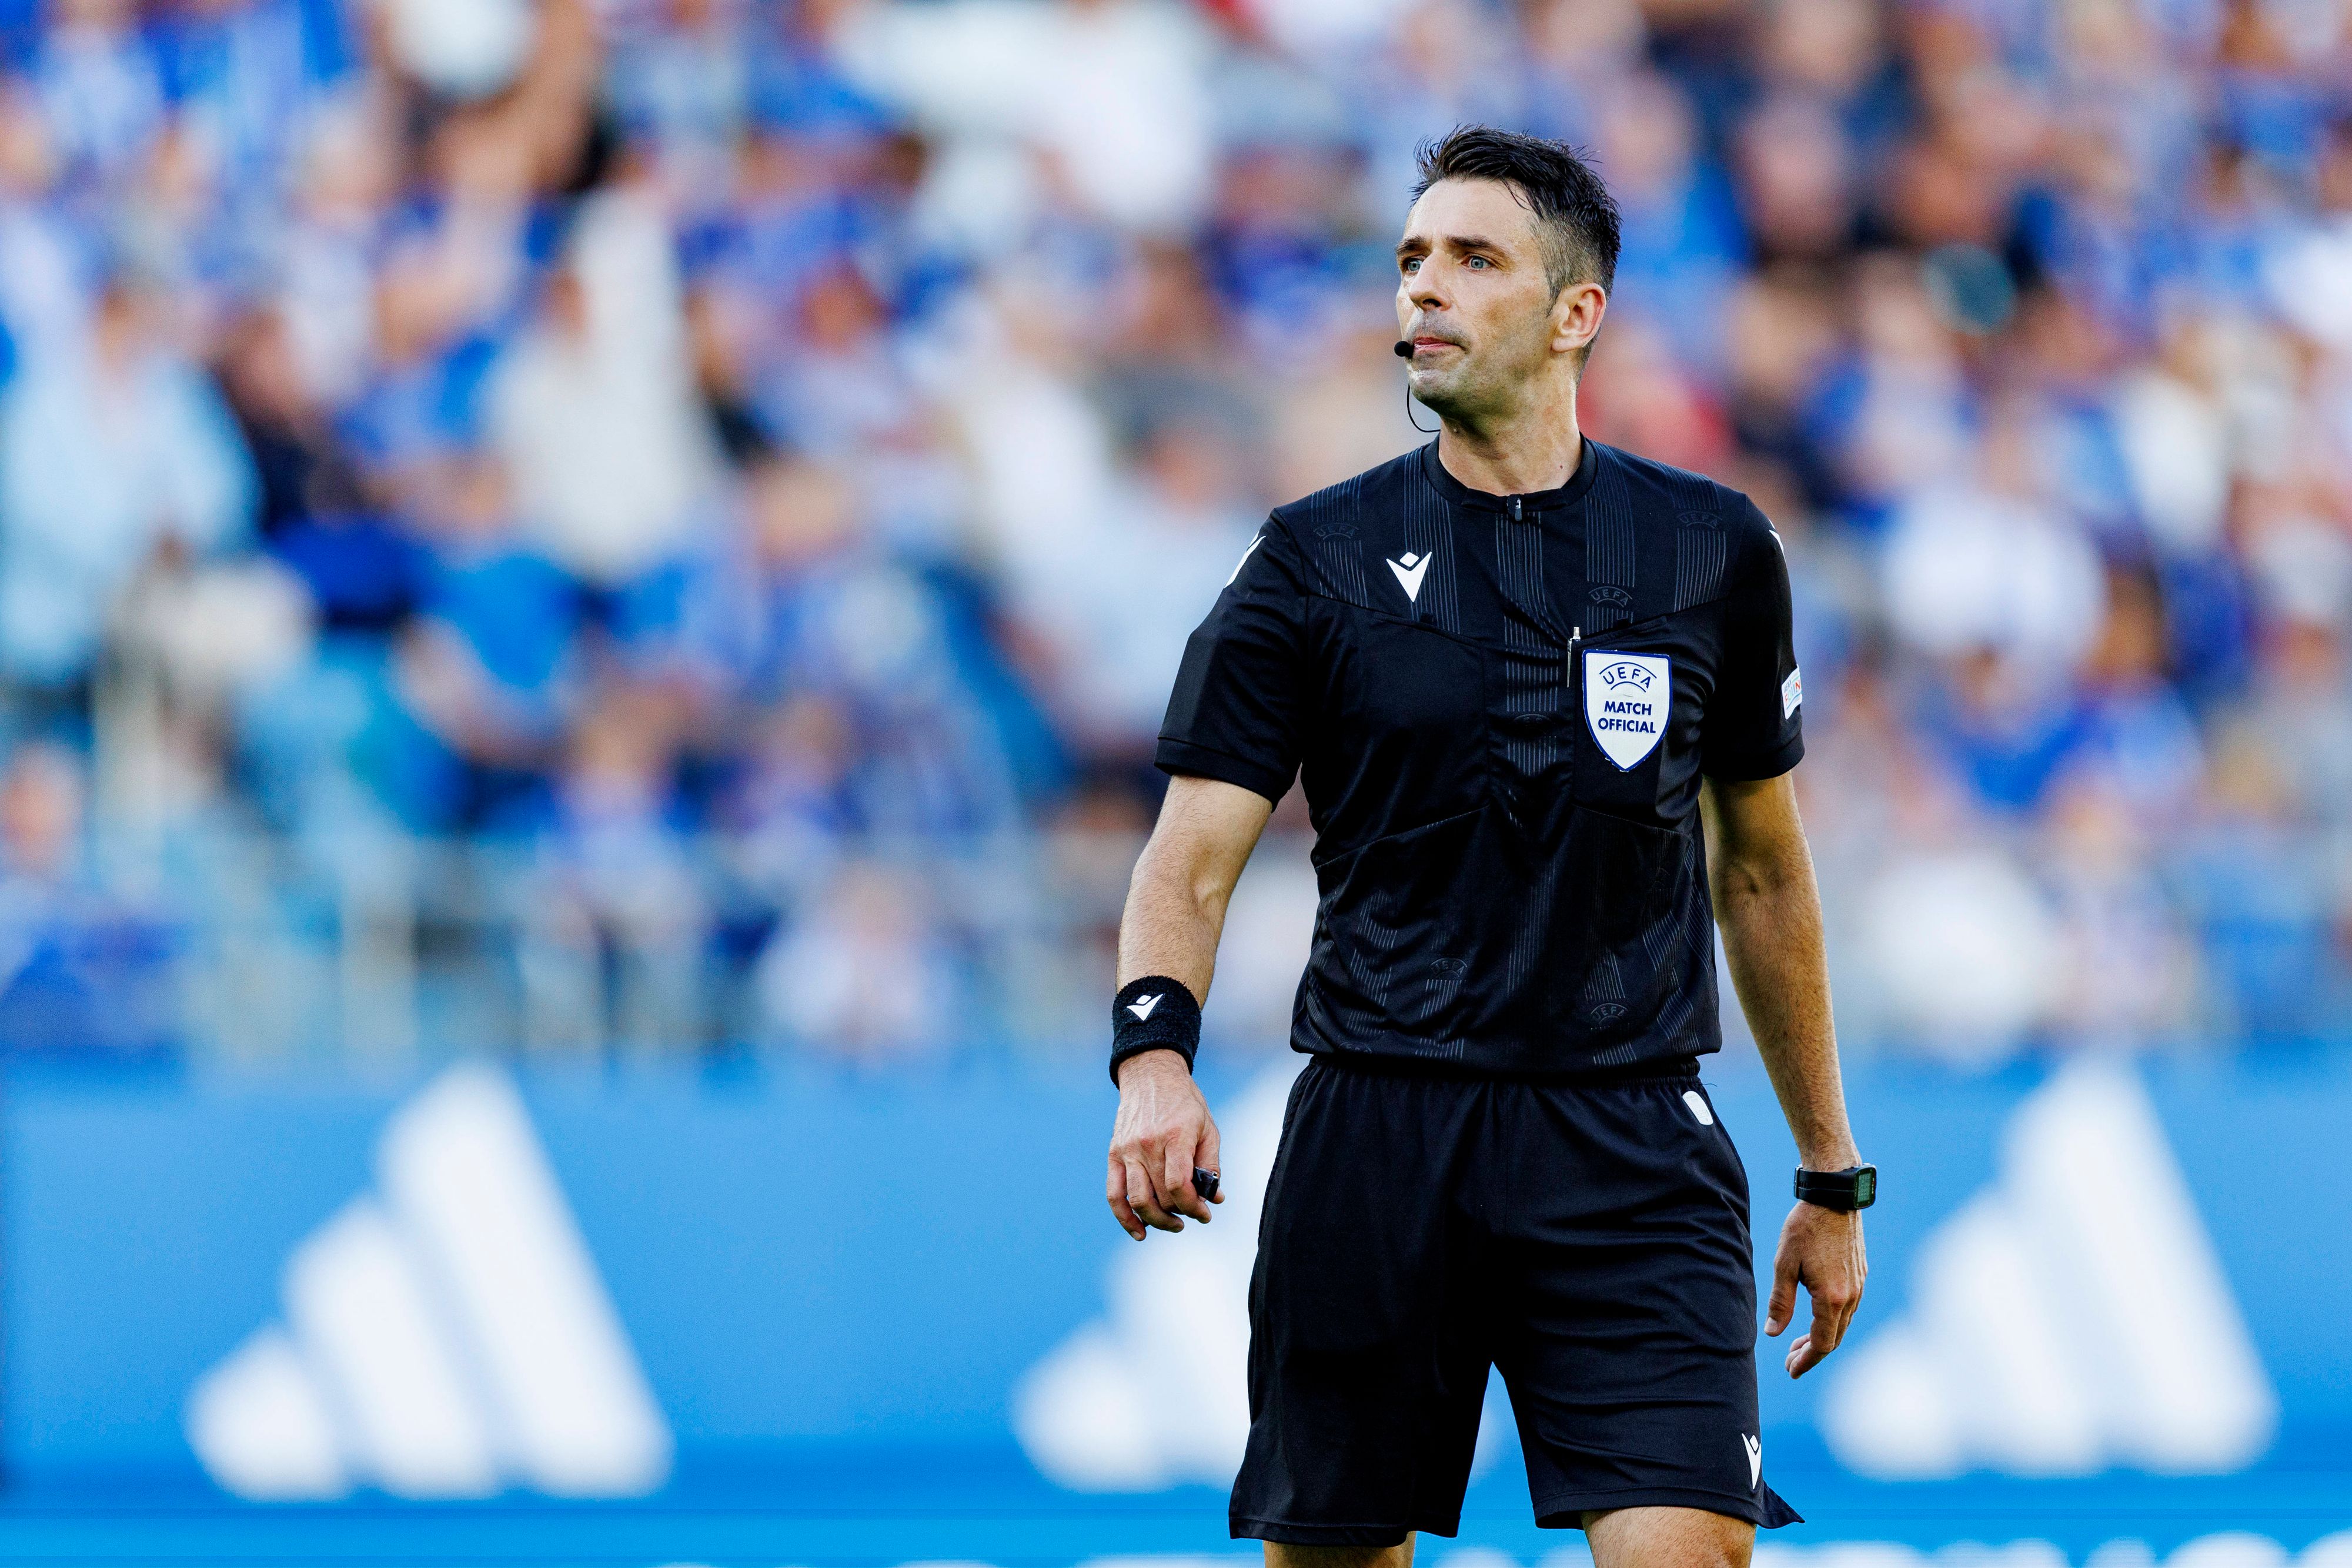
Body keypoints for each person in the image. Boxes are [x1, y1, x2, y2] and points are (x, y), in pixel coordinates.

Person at [1102, 126, 1872, 1568]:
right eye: (1408, 261)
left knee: (1683, 1549)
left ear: (1575, 313)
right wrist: (1154, 1056)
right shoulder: (1311, 559)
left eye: (1470, 259)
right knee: (1333, 1557)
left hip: (1629, 1130)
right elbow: (1186, 856)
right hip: (1378, 1123)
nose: (1422, 292)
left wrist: (1829, 1173)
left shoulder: (1710, 551)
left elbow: (1762, 870)